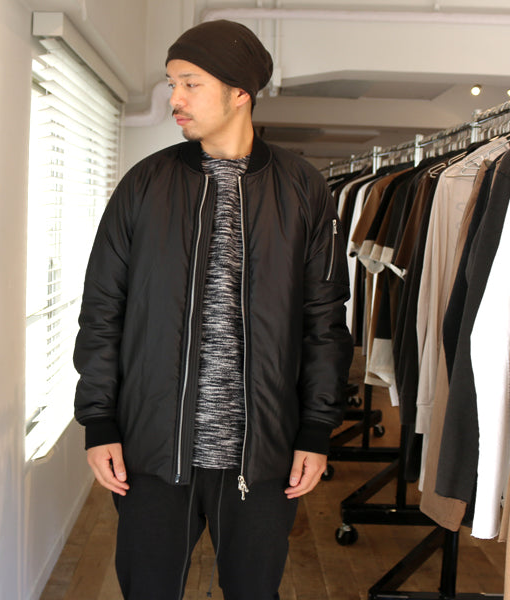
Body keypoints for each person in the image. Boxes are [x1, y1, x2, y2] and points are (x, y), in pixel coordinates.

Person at [73, 19, 353, 600]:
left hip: (264, 454)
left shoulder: (303, 189)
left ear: (240, 91)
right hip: (152, 451)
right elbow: (102, 310)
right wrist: (99, 421)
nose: (174, 99)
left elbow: (324, 321)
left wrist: (317, 429)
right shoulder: (145, 185)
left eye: (190, 84)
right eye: (171, 83)